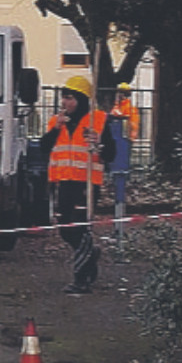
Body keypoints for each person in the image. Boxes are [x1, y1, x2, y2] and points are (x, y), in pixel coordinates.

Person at [42, 76, 115, 294]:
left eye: (70, 98)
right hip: (63, 182)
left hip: (86, 184)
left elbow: (111, 153)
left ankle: (81, 279)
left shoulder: (99, 121)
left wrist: (98, 145)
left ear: (82, 100)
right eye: (64, 98)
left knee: (80, 229)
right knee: (65, 230)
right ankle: (90, 253)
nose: (65, 103)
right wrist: (55, 129)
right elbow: (43, 148)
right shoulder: (56, 122)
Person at [105, 83, 138, 224]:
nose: (119, 95)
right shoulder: (117, 107)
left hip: (123, 143)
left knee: (121, 174)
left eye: (121, 93)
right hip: (118, 143)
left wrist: (129, 138)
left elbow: (131, 125)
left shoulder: (129, 109)